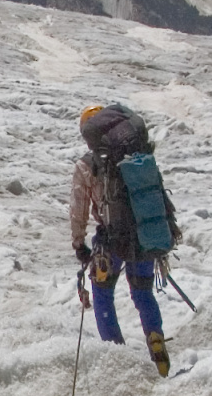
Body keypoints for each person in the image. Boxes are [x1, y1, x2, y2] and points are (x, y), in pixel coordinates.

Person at [68, 104, 179, 376]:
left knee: (103, 294)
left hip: (110, 240)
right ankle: (155, 340)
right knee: (142, 292)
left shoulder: (86, 165)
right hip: (142, 232)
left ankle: (114, 353)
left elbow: (78, 209)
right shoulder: (136, 158)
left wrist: (79, 244)